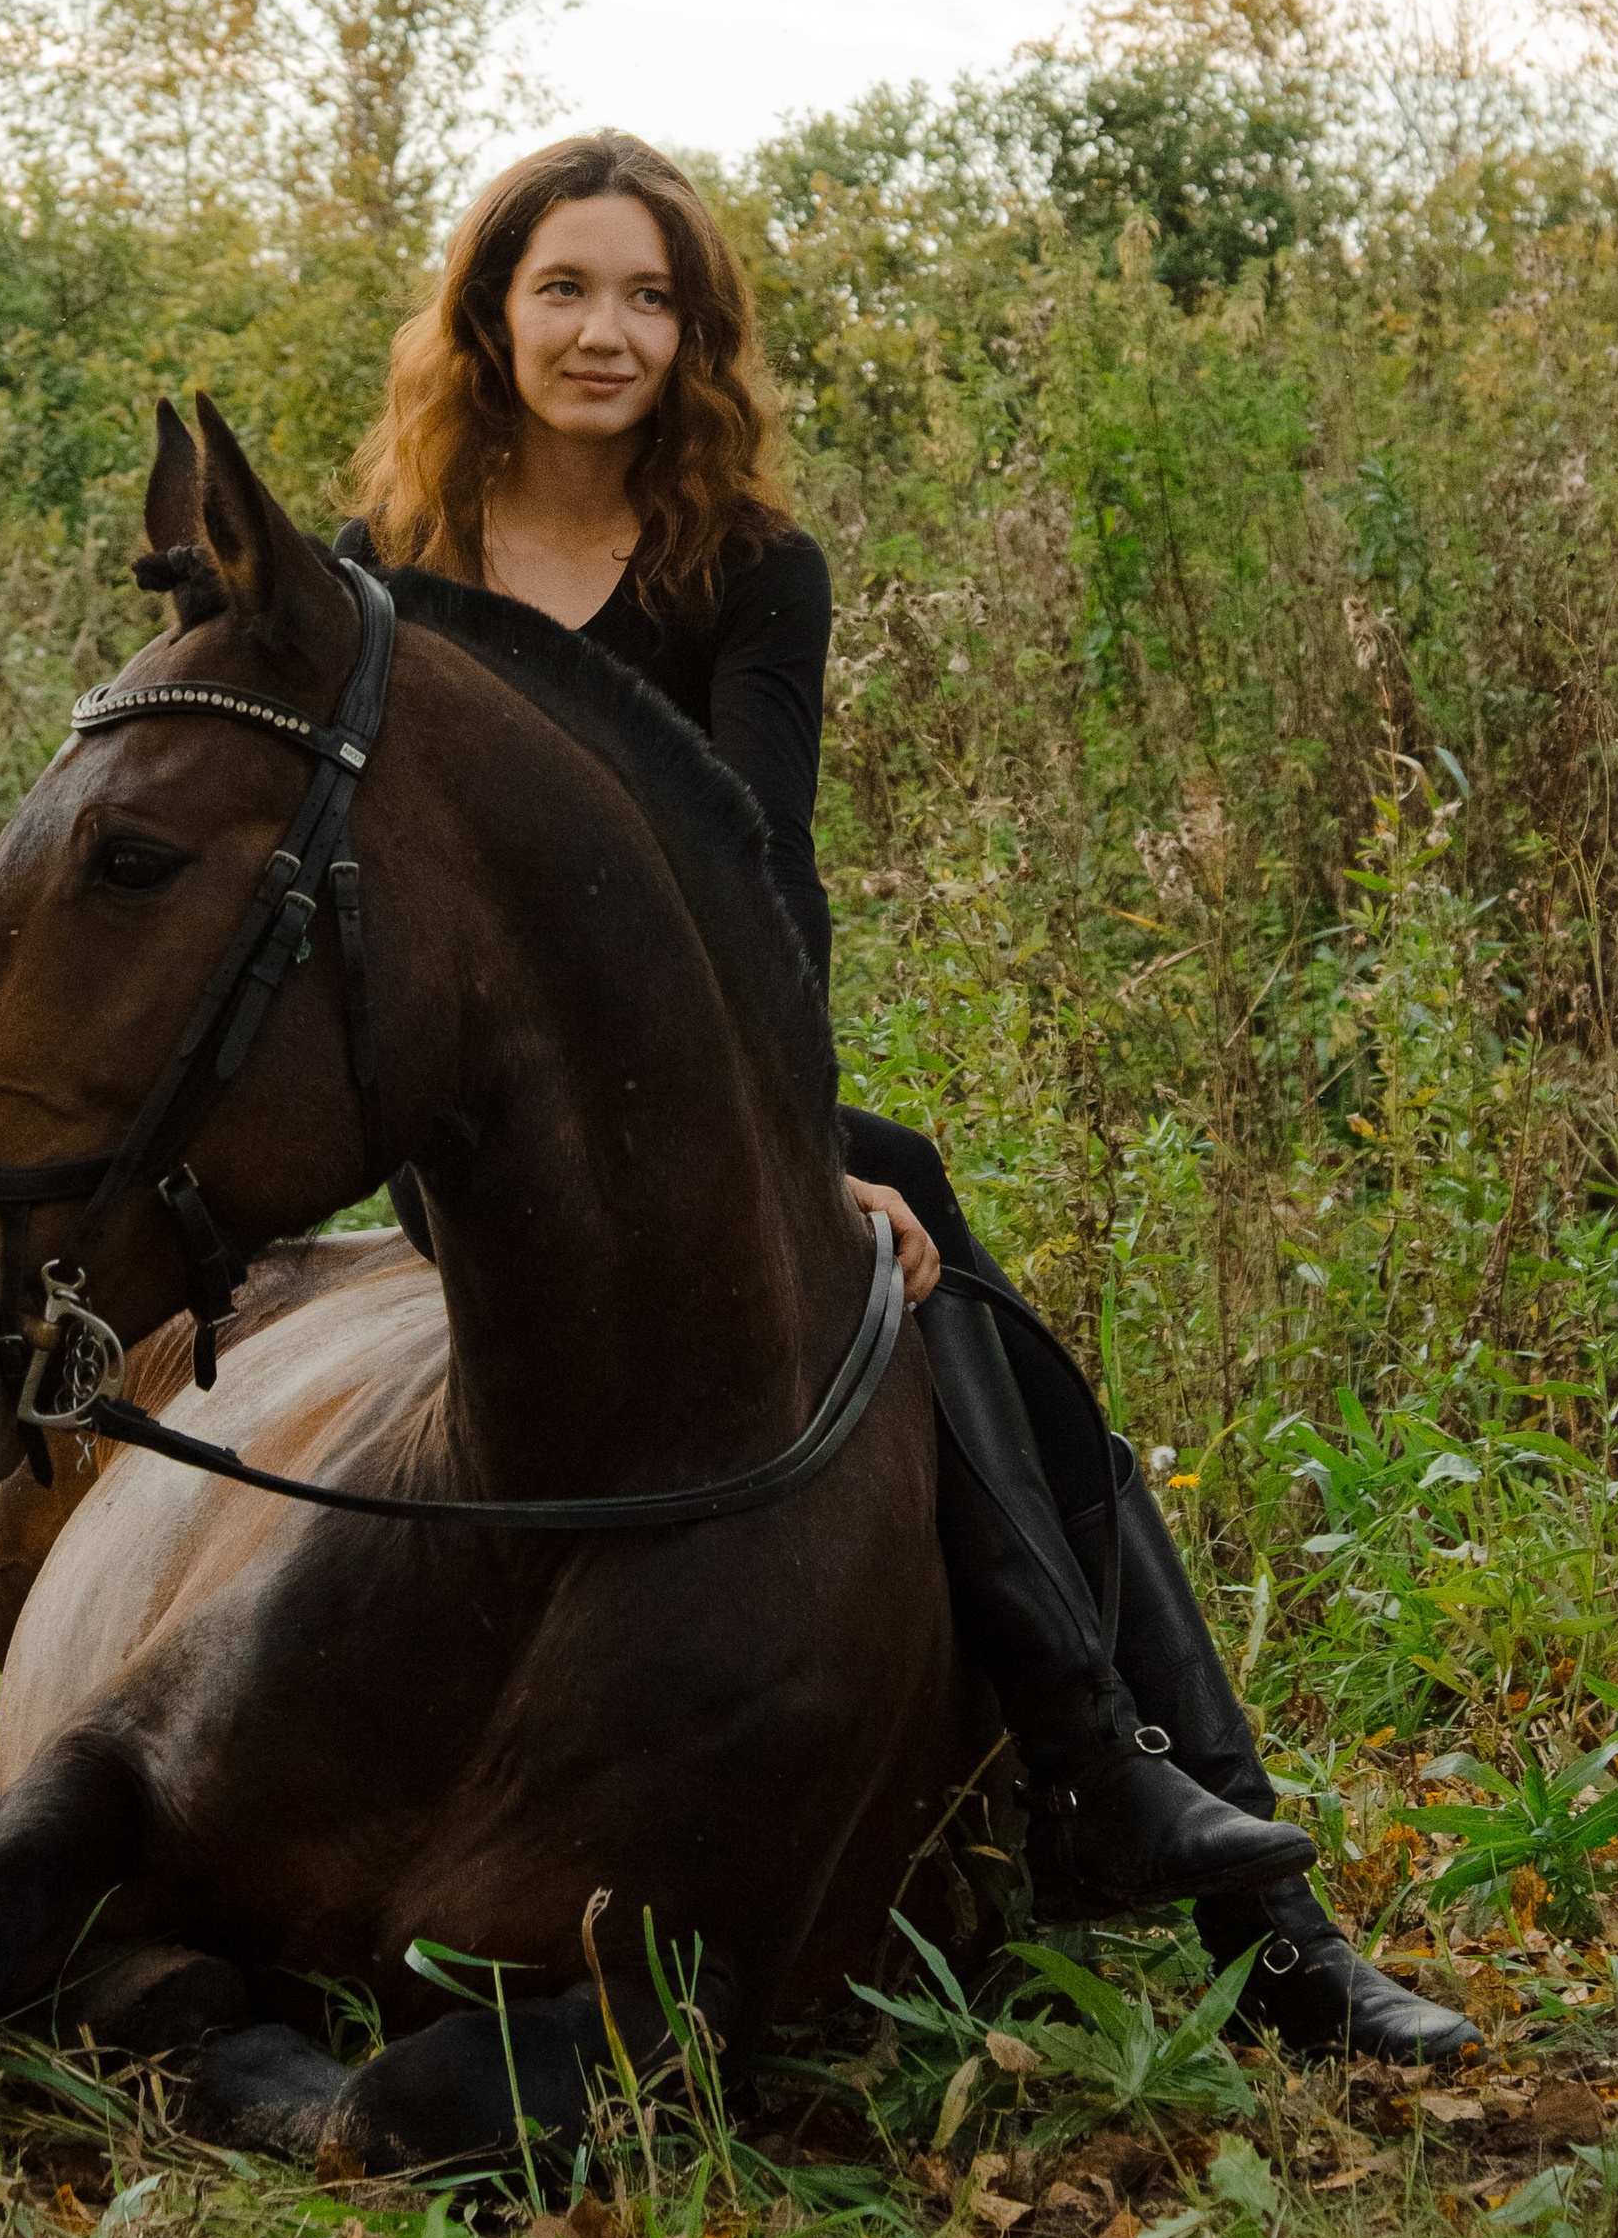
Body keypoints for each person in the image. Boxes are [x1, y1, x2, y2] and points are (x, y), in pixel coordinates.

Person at [338, 129, 1471, 2069]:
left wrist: (791, 1160)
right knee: (914, 1206)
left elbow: (762, 878)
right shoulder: (386, 577)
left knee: (948, 1263)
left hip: (703, 1105)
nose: (605, 330)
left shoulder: (745, 567)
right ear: (487, 312)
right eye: (564, 287)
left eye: (647, 295)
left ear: (693, 332)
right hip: (476, 1134)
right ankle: (1112, 1772)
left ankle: (1227, 1881)